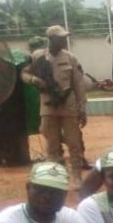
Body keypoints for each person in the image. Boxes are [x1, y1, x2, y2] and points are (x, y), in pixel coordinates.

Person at [20, 25, 87, 189]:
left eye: (65, 37)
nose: (64, 40)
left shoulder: (70, 58)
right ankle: (55, 176)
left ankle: (76, 176)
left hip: (68, 104)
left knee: (73, 142)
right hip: (48, 105)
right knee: (51, 143)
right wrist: (35, 81)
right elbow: (24, 73)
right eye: (61, 38)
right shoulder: (38, 57)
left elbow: (78, 84)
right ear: (51, 39)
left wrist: (82, 107)